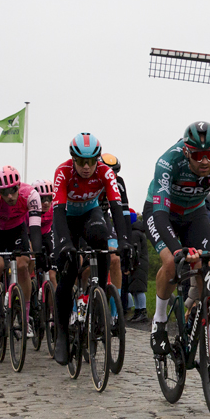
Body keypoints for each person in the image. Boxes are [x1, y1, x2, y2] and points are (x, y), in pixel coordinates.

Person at [143, 121, 210, 383]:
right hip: (161, 213)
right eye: (198, 155)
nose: (205, 161)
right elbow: (160, 215)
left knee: (209, 268)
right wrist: (178, 251)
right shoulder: (168, 162)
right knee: (170, 264)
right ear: (187, 151)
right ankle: (160, 322)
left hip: (195, 212)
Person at [52, 134, 131, 365]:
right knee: (68, 274)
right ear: (73, 159)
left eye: (91, 161)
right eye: (81, 162)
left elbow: (116, 208)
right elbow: (57, 212)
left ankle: (100, 304)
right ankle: (62, 335)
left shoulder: (105, 172)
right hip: (66, 220)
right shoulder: (63, 172)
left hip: (90, 215)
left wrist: (124, 240)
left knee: (103, 241)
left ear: (97, 159)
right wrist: (65, 244)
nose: (86, 167)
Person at [0, 167, 42, 338]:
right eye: (4, 192)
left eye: (13, 190)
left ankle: (25, 316)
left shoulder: (30, 194)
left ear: (18, 186)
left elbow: (35, 228)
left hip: (17, 229)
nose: (9, 196)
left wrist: (37, 252)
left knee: (23, 265)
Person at [99, 153, 132, 310]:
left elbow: (124, 213)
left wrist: (127, 242)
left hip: (105, 220)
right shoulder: (90, 181)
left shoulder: (118, 183)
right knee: (82, 263)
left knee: (115, 258)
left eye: (115, 174)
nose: (111, 177)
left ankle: (114, 311)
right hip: (84, 220)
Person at [128, 210, 149, 323]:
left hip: (138, 263)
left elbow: (135, 251)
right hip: (139, 263)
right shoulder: (138, 232)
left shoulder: (134, 233)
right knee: (135, 288)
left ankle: (142, 311)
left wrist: (131, 264)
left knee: (139, 288)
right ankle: (138, 311)